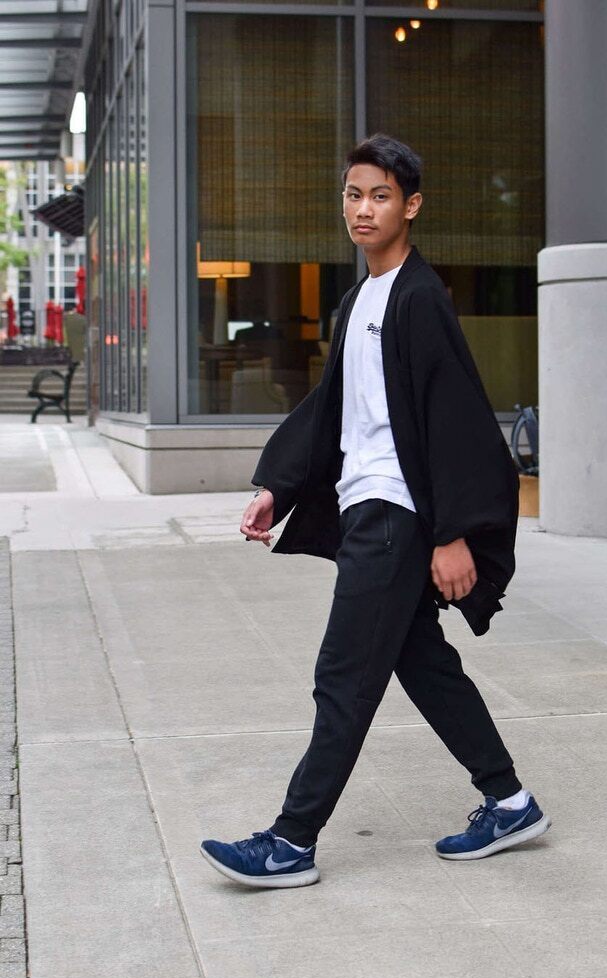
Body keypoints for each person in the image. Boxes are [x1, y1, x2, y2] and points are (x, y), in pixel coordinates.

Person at [200, 135, 551, 889]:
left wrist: (452, 534)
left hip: (395, 515)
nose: (363, 209)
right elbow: (332, 411)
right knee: (420, 661)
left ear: (411, 206)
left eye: (380, 196)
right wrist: (277, 486)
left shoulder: (420, 299)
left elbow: (454, 417)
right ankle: (510, 801)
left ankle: (290, 842)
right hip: (368, 506)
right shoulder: (359, 301)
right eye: (353, 195)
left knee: (344, 674)